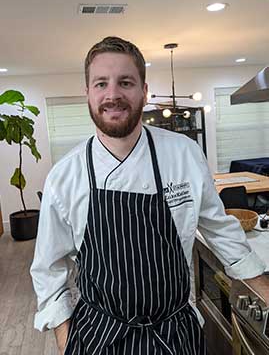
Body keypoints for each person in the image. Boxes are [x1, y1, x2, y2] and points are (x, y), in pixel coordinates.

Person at [31, 36, 267, 355]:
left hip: (175, 334)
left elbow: (221, 231)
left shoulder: (184, 155)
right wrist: (65, 340)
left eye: (125, 82)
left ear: (144, 90)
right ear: (87, 93)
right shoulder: (65, 177)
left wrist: (264, 290)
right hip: (98, 338)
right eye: (101, 83)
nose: (112, 94)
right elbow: (48, 271)